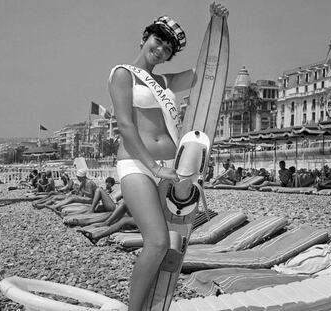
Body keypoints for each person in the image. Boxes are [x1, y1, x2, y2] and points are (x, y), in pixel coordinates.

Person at [108, 4, 228, 310]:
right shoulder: (123, 74)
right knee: (158, 241)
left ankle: (152, 304)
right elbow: (125, 125)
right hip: (137, 164)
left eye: (168, 48)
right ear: (145, 37)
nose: (161, 49)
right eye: (158, 40)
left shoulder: (167, 83)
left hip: (171, 168)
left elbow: (208, 72)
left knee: (171, 246)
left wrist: (215, 24)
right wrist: (152, 167)